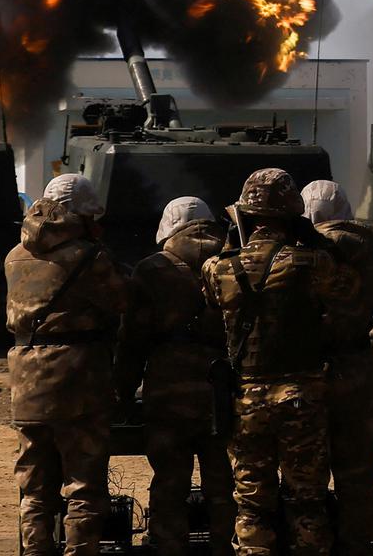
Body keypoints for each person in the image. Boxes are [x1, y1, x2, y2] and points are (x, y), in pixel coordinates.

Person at [202, 168, 351, 556]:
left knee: (252, 506)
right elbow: (346, 288)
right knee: (308, 503)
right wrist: (313, 240)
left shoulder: (219, 267)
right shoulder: (313, 263)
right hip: (302, 396)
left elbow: (213, 303)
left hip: (246, 399)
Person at [6, 173, 129, 556]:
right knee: (83, 488)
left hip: (26, 385)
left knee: (35, 490)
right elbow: (122, 303)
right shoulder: (90, 258)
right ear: (83, 215)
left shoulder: (14, 255)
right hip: (78, 383)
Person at [115, 197, 236, 556]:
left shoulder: (151, 270)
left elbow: (132, 340)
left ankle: (169, 545)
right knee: (222, 479)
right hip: (222, 388)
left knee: (169, 480)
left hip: (167, 391)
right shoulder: (233, 261)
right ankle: (225, 544)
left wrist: (123, 392)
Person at [301, 179, 373, 555]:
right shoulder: (370, 253)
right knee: (358, 479)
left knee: (307, 481)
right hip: (358, 371)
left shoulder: (304, 255)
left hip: (310, 373)